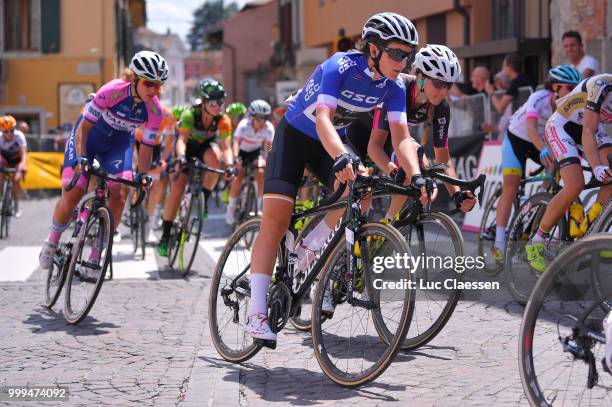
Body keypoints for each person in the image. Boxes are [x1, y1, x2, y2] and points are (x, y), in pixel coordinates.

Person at [245, 12, 422, 347]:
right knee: (276, 221)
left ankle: (310, 248)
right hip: (296, 138)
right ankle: (256, 312)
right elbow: (324, 117)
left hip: (329, 144)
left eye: (407, 55)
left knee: (363, 187)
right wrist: (341, 156)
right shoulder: (339, 66)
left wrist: (416, 176)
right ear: (373, 49)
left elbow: (402, 137)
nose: (403, 62)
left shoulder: (395, 86)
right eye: (396, 53)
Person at [38, 50, 168, 270]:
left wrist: (143, 175)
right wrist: (81, 158)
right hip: (88, 139)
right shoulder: (112, 91)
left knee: (119, 194)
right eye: (149, 84)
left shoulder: (155, 110)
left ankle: (98, 249)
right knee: (73, 193)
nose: (154, 90)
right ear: (135, 78)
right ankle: (52, 241)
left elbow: (146, 147)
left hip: (117, 147)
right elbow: (84, 128)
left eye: (159, 85)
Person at [347, 44, 478, 226]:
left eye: (449, 85)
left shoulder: (440, 107)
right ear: (422, 78)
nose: (444, 91)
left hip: (392, 138)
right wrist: (394, 171)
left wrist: (456, 193)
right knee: (363, 196)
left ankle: (388, 223)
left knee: (418, 161)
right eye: (439, 84)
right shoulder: (397, 88)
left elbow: (443, 160)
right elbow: (373, 146)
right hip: (360, 136)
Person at [492, 65, 582, 261]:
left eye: (576, 88)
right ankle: (499, 243)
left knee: (554, 173)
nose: (574, 92)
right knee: (512, 185)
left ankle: (539, 206)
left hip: (540, 141)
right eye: (569, 88)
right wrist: (542, 148)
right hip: (517, 138)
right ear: (554, 88)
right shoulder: (539, 97)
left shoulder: (571, 106)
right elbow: (531, 128)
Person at [525, 73, 611, 272]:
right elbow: (587, 131)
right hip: (562, 127)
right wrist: (597, 166)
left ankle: (595, 230)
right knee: (575, 185)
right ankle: (536, 241)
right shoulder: (603, 85)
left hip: (593, 131)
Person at [156, 78, 234, 257]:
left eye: (221, 102)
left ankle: (203, 200)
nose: (217, 106)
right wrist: (182, 158)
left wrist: (230, 166)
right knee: (177, 188)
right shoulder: (190, 114)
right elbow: (181, 140)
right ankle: (165, 236)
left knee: (215, 161)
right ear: (204, 102)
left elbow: (226, 146)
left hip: (204, 147)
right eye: (213, 102)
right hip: (187, 148)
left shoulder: (223, 120)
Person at [225, 100, 274, 225]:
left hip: (255, 152)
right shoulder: (244, 125)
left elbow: (269, 147)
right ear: (252, 117)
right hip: (241, 151)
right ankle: (231, 207)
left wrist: (266, 159)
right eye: (258, 119)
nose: (262, 122)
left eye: (264, 118)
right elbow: (236, 143)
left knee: (261, 171)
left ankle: (259, 206)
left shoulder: (269, 128)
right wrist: (236, 158)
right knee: (238, 176)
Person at [134, 104, 176, 243]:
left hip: (154, 147)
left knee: (155, 187)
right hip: (136, 142)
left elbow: (170, 139)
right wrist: (133, 160)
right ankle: (132, 205)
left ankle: (149, 226)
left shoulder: (167, 114)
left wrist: (163, 159)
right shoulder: (139, 108)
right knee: (130, 178)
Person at [0, 115, 28, 218]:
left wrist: (23, 165)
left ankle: (17, 204)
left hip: (17, 161)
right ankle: (2, 200)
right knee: (0, 178)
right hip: (5, 160)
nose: (9, 134)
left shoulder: (19, 136)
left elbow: (24, 153)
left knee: (16, 179)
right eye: (5, 131)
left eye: (11, 131)